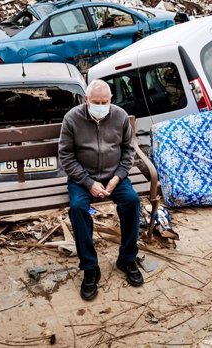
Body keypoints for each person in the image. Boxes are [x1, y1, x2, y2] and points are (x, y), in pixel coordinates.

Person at [59, 79, 143, 300]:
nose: (100, 105)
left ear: (111, 100)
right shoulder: (72, 119)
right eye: (96, 101)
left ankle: (127, 259)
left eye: (104, 101)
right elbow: (66, 156)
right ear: (86, 100)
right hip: (82, 179)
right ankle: (90, 267)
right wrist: (89, 183)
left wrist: (117, 179)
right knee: (77, 208)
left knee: (132, 202)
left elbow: (128, 152)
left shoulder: (120, 116)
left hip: (114, 176)